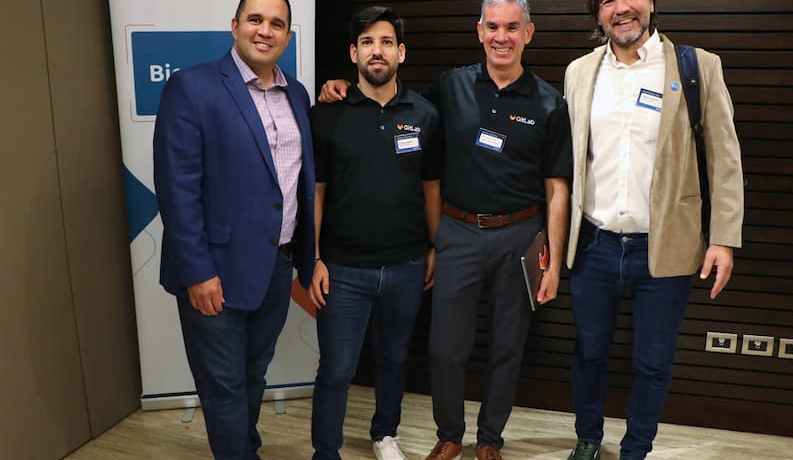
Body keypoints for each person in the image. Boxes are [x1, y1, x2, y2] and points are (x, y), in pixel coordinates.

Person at [320, 1, 571, 459]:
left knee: (508, 346)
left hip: (520, 235)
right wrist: (339, 85)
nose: (501, 37)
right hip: (458, 231)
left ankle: (490, 438)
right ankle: (450, 434)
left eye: (511, 27)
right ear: (479, 31)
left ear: (529, 33)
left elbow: (557, 188)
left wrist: (552, 260)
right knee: (445, 348)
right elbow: (389, 100)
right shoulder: (451, 87)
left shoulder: (550, 103)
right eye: (492, 26)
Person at [563, 1, 744, 459]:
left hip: (665, 245)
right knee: (588, 353)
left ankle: (636, 450)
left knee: (652, 362)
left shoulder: (696, 67)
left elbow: (725, 158)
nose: (622, 8)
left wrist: (723, 238)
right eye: (608, 0)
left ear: (652, 4)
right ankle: (587, 438)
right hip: (594, 243)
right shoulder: (580, 72)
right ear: (596, 13)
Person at [152, 0, 315, 457]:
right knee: (223, 385)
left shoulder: (297, 94)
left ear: (288, 36)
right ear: (235, 26)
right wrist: (197, 272)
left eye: (277, 23)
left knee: (253, 374)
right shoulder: (192, 87)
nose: (265, 31)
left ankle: (244, 448)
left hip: (276, 266)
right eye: (255, 19)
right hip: (215, 273)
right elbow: (177, 188)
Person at [307, 6, 442, 460]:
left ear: (401, 52)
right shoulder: (327, 114)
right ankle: (326, 450)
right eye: (367, 43)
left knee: (394, 360)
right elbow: (317, 191)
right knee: (337, 369)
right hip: (343, 270)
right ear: (353, 53)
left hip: (406, 265)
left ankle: (385, 434)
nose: (376, 51)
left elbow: (431, 187)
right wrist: (315, 257)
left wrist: (435, 247)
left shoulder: (424, 114)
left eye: (386, 42)